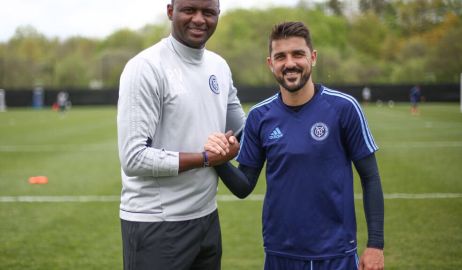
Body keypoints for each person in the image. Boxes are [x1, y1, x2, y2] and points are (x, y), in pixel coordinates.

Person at [205, 22, 384, 270]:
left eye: (298, 54)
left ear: (312, 58)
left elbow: (370, 177)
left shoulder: (344, 108)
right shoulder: (259, 116)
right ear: (271, 64)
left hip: (336, 254)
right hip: (280, 254)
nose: (290, 63)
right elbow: (244, 186)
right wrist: (218, 160)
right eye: (281, 57)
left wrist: (375, 244)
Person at [116, 0, 245, 269]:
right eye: (190, 10)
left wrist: (230, 145)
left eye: (208, 12)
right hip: (156, 224)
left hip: (207, 219)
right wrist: (206, 158)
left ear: (218, 15)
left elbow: (242, 130)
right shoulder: (146, 67)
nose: (199, 19)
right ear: (170, 11)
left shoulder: (219, 66)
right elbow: (134, 158)